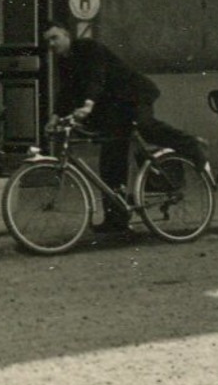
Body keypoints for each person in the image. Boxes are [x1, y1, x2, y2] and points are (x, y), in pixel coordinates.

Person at [41, 17, 207, 235]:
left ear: (66, 34)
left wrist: (88, 104)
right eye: (48, 42)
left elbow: (96, 77)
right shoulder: (64, 61)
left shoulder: (90, 48)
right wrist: (54, 116)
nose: (52, 45)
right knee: (110, 159)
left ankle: (191, 144)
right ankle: (116, 219)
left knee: (145, 126)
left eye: (55, 38)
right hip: (114, 108)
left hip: (134, 95)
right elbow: (66, 91)